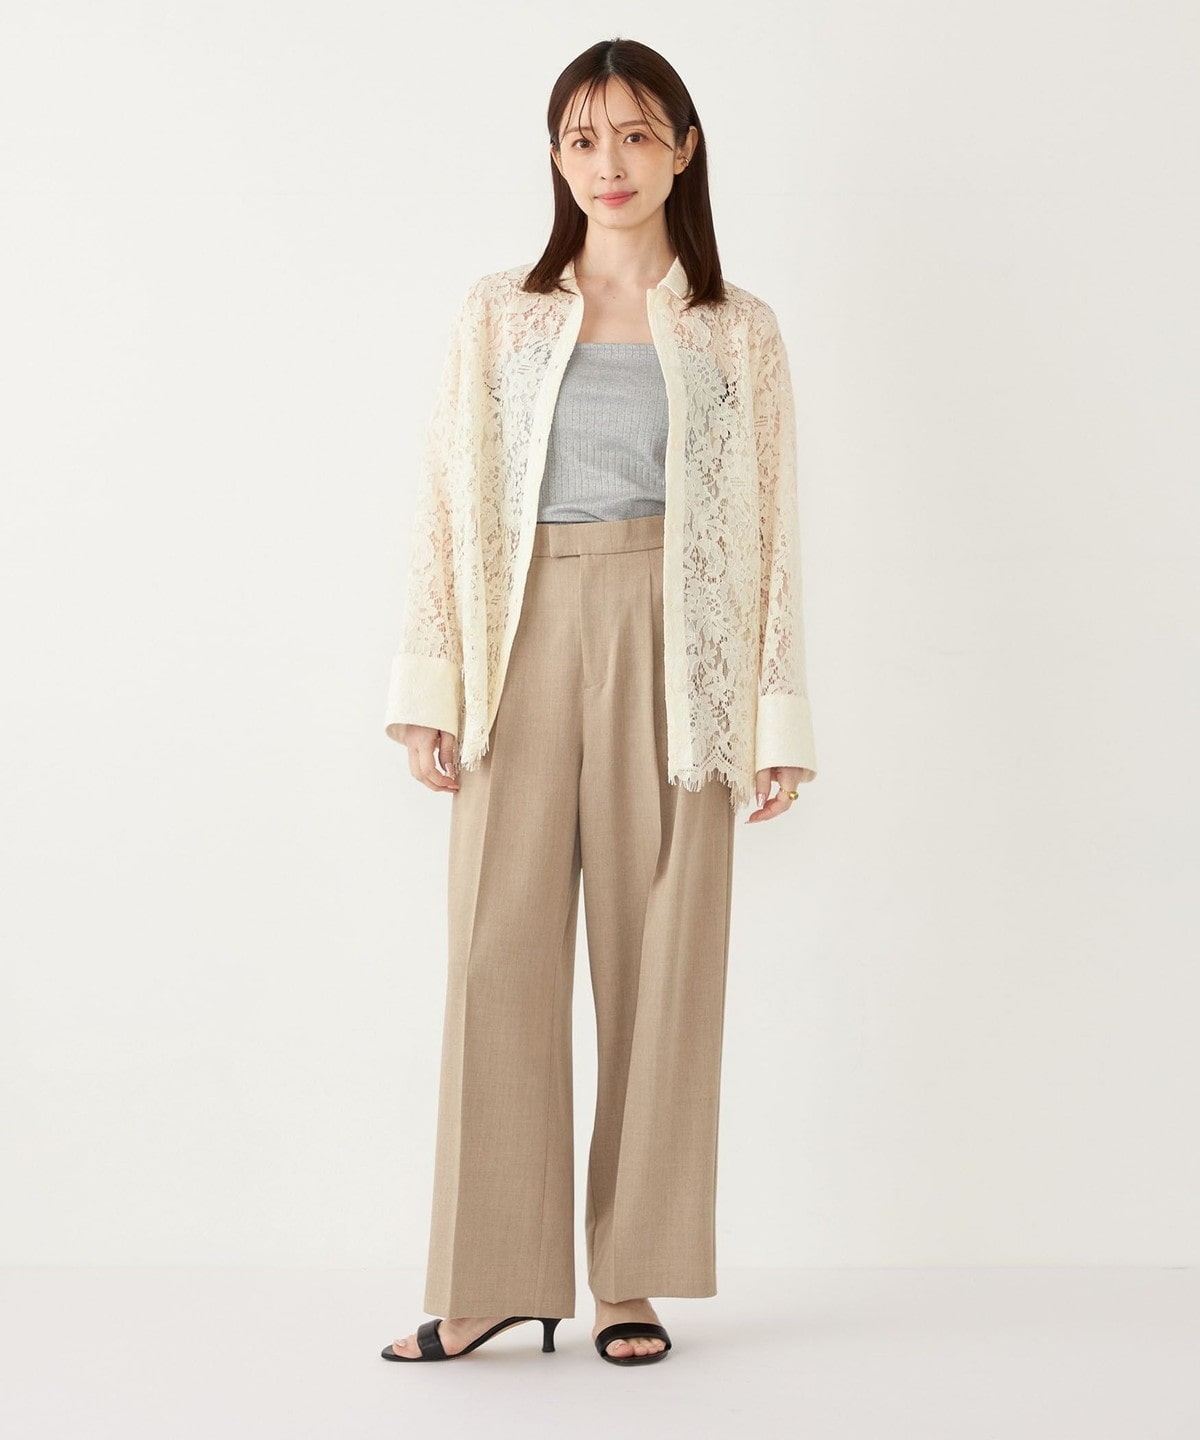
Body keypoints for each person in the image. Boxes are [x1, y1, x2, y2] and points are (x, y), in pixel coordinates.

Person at [381, 36, 817, 1368]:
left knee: (659, 961)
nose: (607, 164)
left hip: (677, 641)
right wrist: (432, 685)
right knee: (495, 952)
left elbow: (772, 528)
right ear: (556, 158)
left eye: (634, 134)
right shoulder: (501, 313)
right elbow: (449, 498)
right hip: (522, 632)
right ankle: (492, 1277)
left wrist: (774, 713)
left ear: (683, 148)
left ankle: (629, 1278)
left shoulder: (736, 328)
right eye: (581, 138)